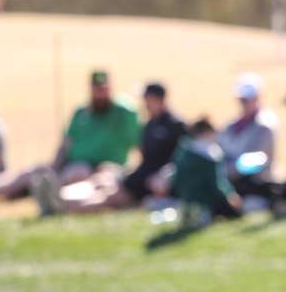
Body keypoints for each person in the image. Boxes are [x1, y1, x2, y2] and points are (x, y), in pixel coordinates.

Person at [0, 70, 139, 202]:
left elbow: (138, 143)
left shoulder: (122, 113)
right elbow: (67, 142)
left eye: (104, 89)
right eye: (97, 89)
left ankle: (45, 194)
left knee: (77, 171)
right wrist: (55, 164)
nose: (100, 93)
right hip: (69, 164)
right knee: (30, 173)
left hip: (98, 168)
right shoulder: (82, 113)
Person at [31, 82, 185, 215]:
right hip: (138, 177)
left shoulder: (176, 125)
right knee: (99, 181)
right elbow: (146, 160)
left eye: (146, 98)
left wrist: (165, 175)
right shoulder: (151, 124)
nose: (144, 103)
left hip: (149, 185)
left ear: (155, 98)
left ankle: (60, 205)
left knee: (107, 197)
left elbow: (181, 158)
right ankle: (56, 196)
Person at [149, 119, 243, 227]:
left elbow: (176, 180)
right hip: (205, 205)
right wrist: (230, 195)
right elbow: (217, 185)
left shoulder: (183, 151)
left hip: (185, 204)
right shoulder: (209, 155)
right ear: (207, 133)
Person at [218, 74, 277, 207]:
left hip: (254, 183)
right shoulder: (233, 125)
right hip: (233, 179)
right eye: (241, 100)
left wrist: (226, 171)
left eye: (246, 100)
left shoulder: (265, 125)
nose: (243, 104)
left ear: (257, 98)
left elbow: (257, 161)